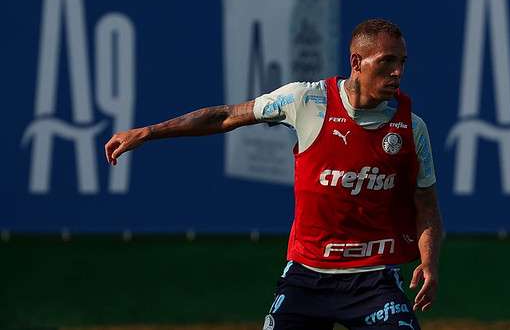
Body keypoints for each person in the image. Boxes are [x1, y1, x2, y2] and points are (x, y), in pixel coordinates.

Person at [104, 18, 443, 330]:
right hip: (307, 279)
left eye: (402, 62)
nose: (397, 72)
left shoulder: (412, 128)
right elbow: (225, 116)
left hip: (375, 280)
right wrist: (147, 132)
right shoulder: (306, 100)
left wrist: (429, 262)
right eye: (386, 61)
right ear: (356, 63)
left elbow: (426, 205)